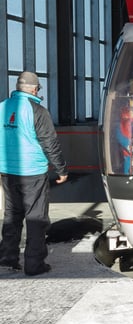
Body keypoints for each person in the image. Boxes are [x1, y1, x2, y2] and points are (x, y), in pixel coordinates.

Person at [0, 71, 68, 276]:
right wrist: (61, 169)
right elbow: (50, 143)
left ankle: (7, 258)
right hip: (32, 172)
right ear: (35, 89)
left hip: (7, 171)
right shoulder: (37, 110)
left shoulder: (2, 107)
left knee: (12, 214)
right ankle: (34, 264)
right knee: (36, 217)